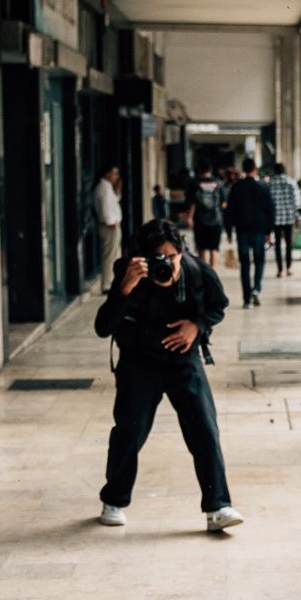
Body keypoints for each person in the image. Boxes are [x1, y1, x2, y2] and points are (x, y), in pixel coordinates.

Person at [94, 218, 243, 533]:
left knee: (204, 428)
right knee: (129, 432)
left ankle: (218, 507)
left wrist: (197, 327)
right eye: (158, 258)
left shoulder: (197, 272)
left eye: (172, 257)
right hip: (138, 361)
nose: (167, 265)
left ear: (182, 252)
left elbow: (218, 306)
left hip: (182, 360)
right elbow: (103, 327)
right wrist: (124, 288)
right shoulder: (129, 273)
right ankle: (115, 500)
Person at [226, 160, 275, 308]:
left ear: (243, 169)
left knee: (245, 264)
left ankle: (247, 299)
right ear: (255, 169)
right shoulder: (262, 187)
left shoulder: (236, 187)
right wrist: (269, 231)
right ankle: (256, 288)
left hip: (242, 231)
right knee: (259, 261)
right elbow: (270, 210)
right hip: (259, 230)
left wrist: (229, 231)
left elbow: (229, 211)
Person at [188, 166, 226, 268]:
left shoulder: (195, 183)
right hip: (216, 220)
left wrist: (190, 218)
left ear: (200, 170)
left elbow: (192, 203)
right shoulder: (218, 183)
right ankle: (212, 274)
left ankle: (203, 273)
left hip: (200, 221)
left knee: (202, 248)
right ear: (210, 170)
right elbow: (223, 204)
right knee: (214, 248)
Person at [268, 165, 301, 278]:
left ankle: (280, 269)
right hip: (289, 218)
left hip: (276, 218)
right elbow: (296, 202)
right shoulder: (291, 182)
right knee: (288, 244)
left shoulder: (271, 184)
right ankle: (289, 268)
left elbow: (268, 203)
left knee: (277, 245)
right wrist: (297, 217)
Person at [95, 166, 124, 291]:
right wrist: (110, 222)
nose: (116, 176)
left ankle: (111, 281)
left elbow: (112, 202)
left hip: (112, 225)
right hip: (109, 227)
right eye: (114, 173)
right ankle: (106, 284)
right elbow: (104, 206)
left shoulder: (107, 187)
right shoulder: (103, 188)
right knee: (109, 256)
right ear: (107, 174)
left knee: (114, 255)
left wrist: (117, 190)